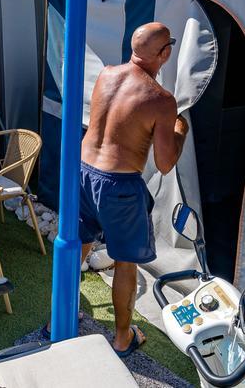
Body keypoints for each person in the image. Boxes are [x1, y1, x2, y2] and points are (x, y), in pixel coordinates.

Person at [79, 21, 188, 357]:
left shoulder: (107, 74)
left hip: (83, 173)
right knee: (126, 263)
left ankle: (60, 319)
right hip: (119, 185)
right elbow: (166, 163)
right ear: (166, 53)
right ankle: (123, 338)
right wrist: (180, 128)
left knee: (77, 248)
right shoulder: (161, 99)